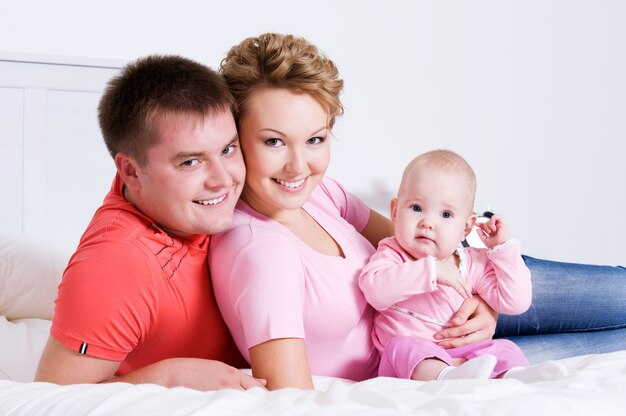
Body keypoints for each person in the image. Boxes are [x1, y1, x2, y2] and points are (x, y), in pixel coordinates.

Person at [208, 33, 500, 391]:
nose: (298, 167)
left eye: (315, 139)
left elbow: (408, 239)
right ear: (233, 140)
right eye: (274, 141)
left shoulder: (317, 195)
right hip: (417, 365)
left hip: (449, 309)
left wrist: (486, 302)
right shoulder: (262, 252)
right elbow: (291, 397)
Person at [35, 55, 266, 391]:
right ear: (130, 171)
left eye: (228, 149)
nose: (223, 179)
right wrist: (168, 377)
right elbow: (50, 401)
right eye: (190, 162)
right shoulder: (116, 263)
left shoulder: (234, 187)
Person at [359, 150, 567, 382]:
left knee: (505, 348)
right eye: (416, 208)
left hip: (465, 356)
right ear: (395, 212)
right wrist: (432, 271)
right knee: (401, 346)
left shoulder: (471, 263)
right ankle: (446, 377)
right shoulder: (392, 254)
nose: (428, 223)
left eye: (446, 214)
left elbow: (516, 302)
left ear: (466, 228)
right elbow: (374, 290)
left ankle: (516, 376)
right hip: (412, 366)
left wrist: (503, 250)